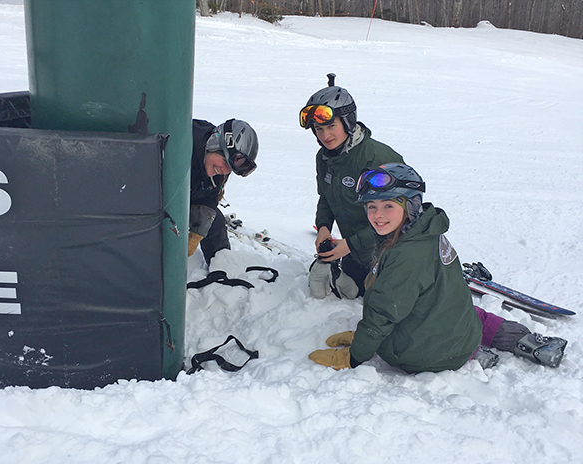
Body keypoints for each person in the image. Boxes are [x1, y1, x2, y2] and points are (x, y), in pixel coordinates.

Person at [308, 163, 568, 372]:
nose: (377, 215)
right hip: (455, 326)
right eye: (372, 206)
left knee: (393, 322)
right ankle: (498, 343)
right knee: (468, 312)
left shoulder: (404, 255)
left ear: (410, 206)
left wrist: (356, 354)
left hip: (419, 355)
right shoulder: (425, 229)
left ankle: (460, 354)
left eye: (388, 205)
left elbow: (382, 315)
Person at [299, 74, 404, 300]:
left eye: (330, 126)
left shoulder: (376, 159)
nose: (325, 135)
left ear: (347, 121)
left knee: (383, 305)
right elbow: (327, 197)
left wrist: (351, 245)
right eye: (318, 129)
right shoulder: (325, 157)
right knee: (352, 294)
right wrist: (324, 226)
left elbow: (399, 220)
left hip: (391, 255)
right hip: (357, 253)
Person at [188, 118, 258, 264]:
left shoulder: (213, 166)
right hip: (152, 201)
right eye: (225, 162)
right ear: (214, 144)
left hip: (186, 200)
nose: (224, 171)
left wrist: (197, 231)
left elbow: (208, 199)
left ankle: (220, 269)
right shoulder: (184, 141)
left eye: (230, 170)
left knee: (214, 222)